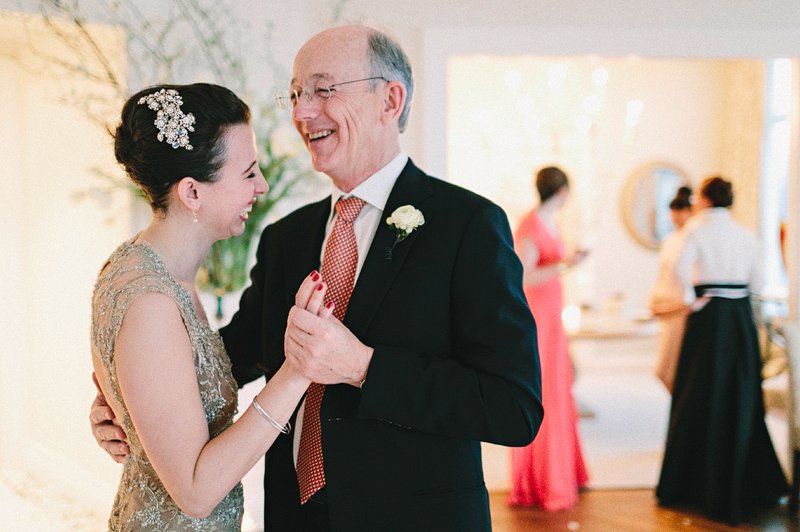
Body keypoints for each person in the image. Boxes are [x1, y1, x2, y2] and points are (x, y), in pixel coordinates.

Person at [92, 25, 543, 531]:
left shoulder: (468, 226)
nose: (302, 112)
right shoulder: (287, 237)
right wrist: (136, 396)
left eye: (323, 90)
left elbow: (514, 408)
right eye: (295, 94)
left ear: (390, 100)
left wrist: (365, 366)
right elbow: (231, 355)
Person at [90, 83, 338, 530]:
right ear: (192, 192)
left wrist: (129, 404)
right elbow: (196, 493)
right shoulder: (151, 300)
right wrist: (299, 369)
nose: (261, 187)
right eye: (247, 173)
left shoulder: (152, 269)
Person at [656, 176, 788, 525]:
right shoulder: (747, 235)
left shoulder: (695, 233)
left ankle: (691, 484)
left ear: (702, 199)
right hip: (739, 318)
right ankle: (746, 482)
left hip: (709, 318)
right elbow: (759, 282)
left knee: (699, 395)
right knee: (740, 396)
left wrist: (689, 300)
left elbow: (676, 270)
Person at [508, 166, 589, 511]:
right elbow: (523, 277)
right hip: (538, 317)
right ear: (561, 192)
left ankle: (564, 470)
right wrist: (566, 264)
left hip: (552, 314)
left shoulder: (550, 221)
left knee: (559, 389)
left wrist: (567, 263)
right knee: (543, 392)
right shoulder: (530, 225)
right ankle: (540, 480)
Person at [648, 186, 693, 392]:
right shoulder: (669, 240)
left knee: (670, 369)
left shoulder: (691, 240)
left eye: (680, 211)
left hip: (680, 305)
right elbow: (663, 273)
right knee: (665, 370)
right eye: (673, 212)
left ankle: (682, 411)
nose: (676, 217)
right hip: (665, 304)